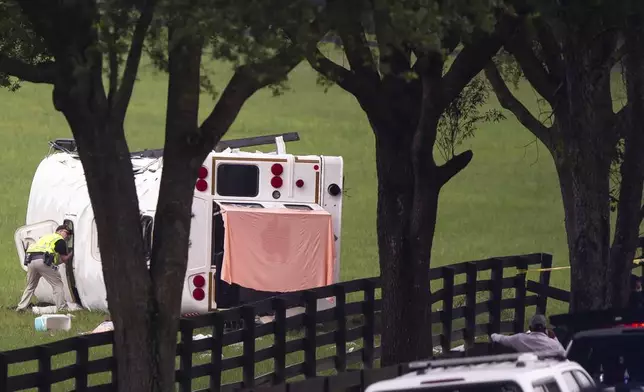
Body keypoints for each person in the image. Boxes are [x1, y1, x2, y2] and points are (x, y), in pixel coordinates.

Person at [15, 225, 73, 313]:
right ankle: (62, 308)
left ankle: (21, 307)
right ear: (60, 231)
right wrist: (73, 253)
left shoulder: (46, 238)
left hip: (30, 260)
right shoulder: (59, 240)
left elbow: (54, 258)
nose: (67, 237)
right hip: (42, 261)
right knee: (58, 285)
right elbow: (64, 258)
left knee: (30, 286)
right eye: (67, 233)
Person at [489, 314, 566, 355]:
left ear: (530, 327)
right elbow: (563, 354)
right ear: (545, 328)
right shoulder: (553, 344)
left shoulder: (519, 339)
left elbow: (501, 339)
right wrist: (554, 338)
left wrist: (493, 335)